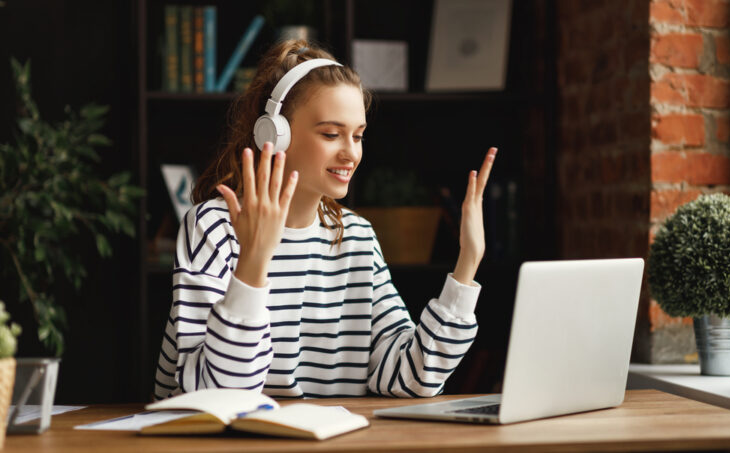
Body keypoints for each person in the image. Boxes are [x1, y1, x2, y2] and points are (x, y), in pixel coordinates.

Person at [154, 39, 497, 400]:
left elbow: (411, 377)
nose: (350, 153)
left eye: (358, 136)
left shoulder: (357, 238)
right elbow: (220, 393)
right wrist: (254, 263)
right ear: (275, 134)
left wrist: (467, 264)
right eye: (331, 134)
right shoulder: (215, 227)